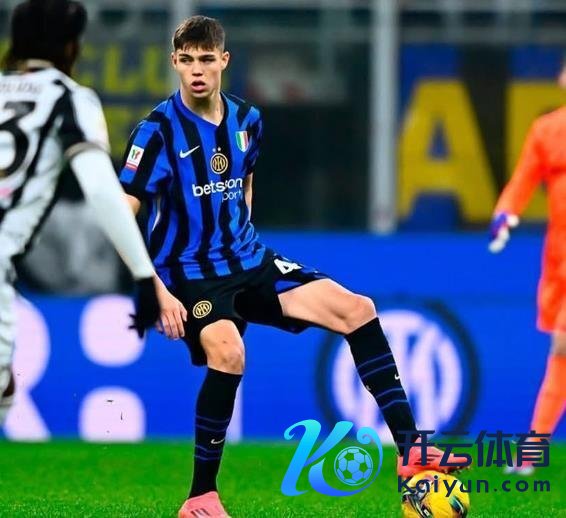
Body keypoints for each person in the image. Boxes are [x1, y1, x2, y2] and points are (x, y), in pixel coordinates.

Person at [119, 16, 466, 517]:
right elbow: (123, 213)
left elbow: (245, 181)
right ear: (174, 62)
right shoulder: (155, 132)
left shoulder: (247, 120)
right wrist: (154, 289)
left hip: (248, 261)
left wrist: (242, 235)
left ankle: (411, 451)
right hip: (188, 275)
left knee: (358, 309)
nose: (197, 70)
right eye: (187, 60)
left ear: (224, 61)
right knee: (229, 353)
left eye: (206, 59)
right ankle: (200, 497)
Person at [0, 0, 160, 425]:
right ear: (71, 47)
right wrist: (143, 274)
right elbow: (102, 190)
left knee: (4, 388)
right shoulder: (69, 99)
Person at [489, 63, 566, 475]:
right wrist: (505, 213)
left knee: (562, 346)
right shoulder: (547, 130)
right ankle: (533, 451)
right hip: (560, 259)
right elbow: (522, 180)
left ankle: (533, 451)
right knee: (562, 349)